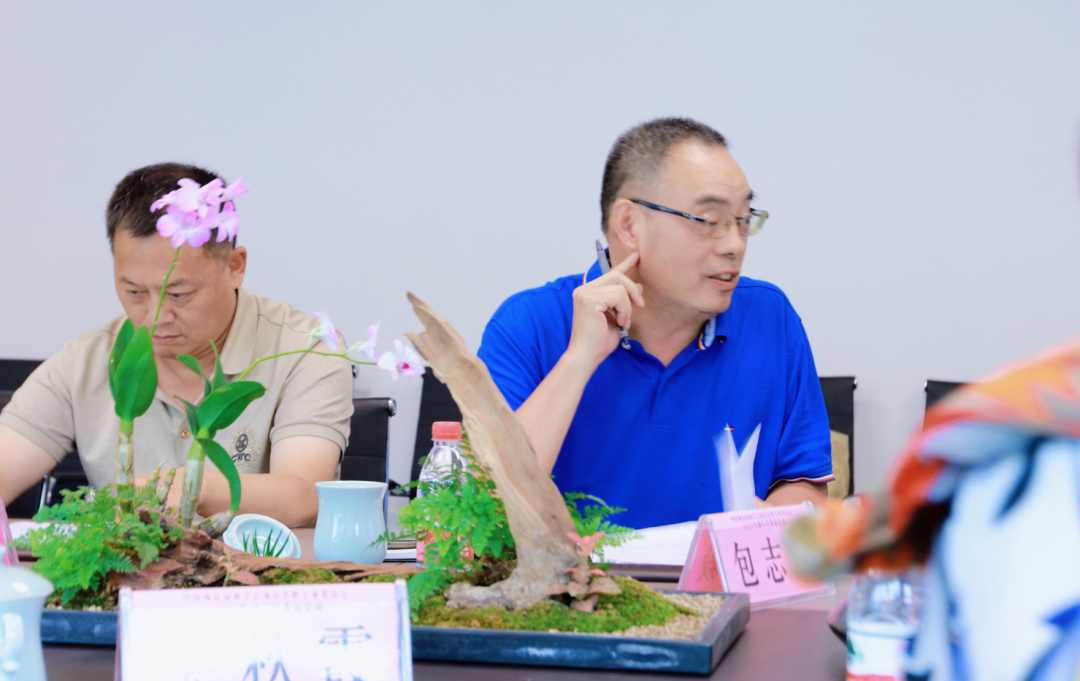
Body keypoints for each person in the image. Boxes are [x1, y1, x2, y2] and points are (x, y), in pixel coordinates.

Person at [477, 118, 833, 529]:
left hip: (720, 572)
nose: (735, 245)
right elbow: (485, 506)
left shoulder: (770, 317)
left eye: (742, 220)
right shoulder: (527, 325)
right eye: (710, 220)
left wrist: (771, 523)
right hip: (576, 573)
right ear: (629, 225)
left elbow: (803, 481)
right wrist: (578, 359)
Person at [0, 163, 353, 527]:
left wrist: (193, 485)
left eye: (178, 294)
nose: (155, 317)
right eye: (134, 292)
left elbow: (305, 497)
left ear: (235, 266)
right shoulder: (86, 362)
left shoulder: (305, 350)